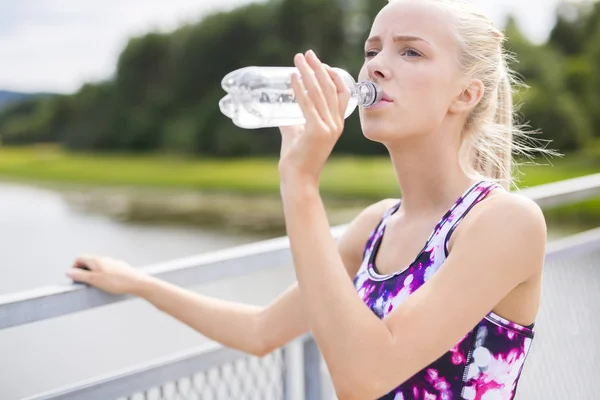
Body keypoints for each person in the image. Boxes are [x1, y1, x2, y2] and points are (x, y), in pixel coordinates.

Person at [66, 0, 549, 398]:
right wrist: (138, 283)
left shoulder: (505, 223)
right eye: (373, 48)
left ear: (464, 95)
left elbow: (365, 377)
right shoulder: (375, 226)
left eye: (411, 53)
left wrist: (300, 184)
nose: (376, 65)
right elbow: (260, 332)